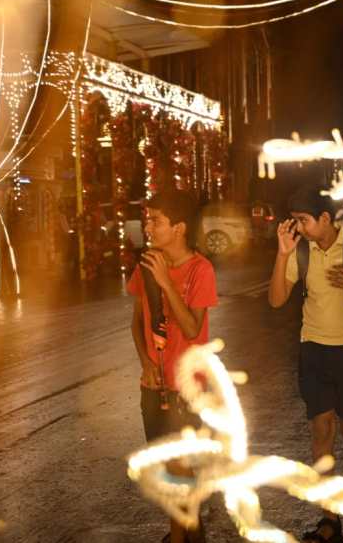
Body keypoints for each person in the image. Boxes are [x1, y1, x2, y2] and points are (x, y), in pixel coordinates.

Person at [268, 186, 343, 543]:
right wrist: (282, 255)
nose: (298, 228)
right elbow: (276, 300)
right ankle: (329, 520)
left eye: (303, 221)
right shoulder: (301, 250)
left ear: (326, 219)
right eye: (295, 221)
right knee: (322, 433)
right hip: (313, 350)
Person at [127, 188, 217, 543]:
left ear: (178, 227)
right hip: (154, 387)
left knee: (180, 475)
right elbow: (137, 322)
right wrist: (145, 360)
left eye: (156, 221)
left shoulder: (200, 270)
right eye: (148, 220)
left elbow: (193, 328)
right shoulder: (146, 265)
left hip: (187, 388)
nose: (149, 227)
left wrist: (167, 282)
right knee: (168, 474)